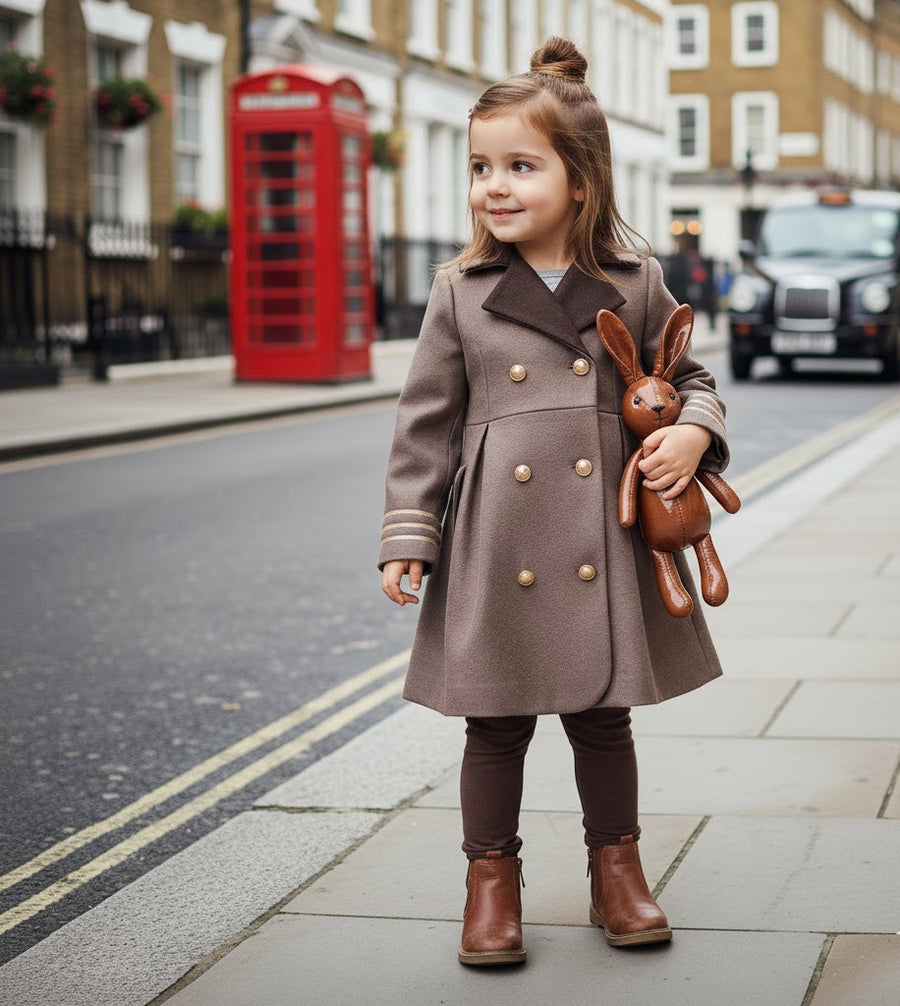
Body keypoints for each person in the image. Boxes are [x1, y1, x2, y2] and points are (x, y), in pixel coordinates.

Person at [378, 37, 730, 968]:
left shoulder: (633, 279)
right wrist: (408, 535)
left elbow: (690, 378)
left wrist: (693, 432)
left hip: (601, 539)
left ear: (579, 180)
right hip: (499, 536)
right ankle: (490, 884)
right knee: (493, 724)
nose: (494, 186)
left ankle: (619, 872)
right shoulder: (461, 291)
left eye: (519, 166)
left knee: (600, 715)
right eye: (480, 167)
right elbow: (426, 427)